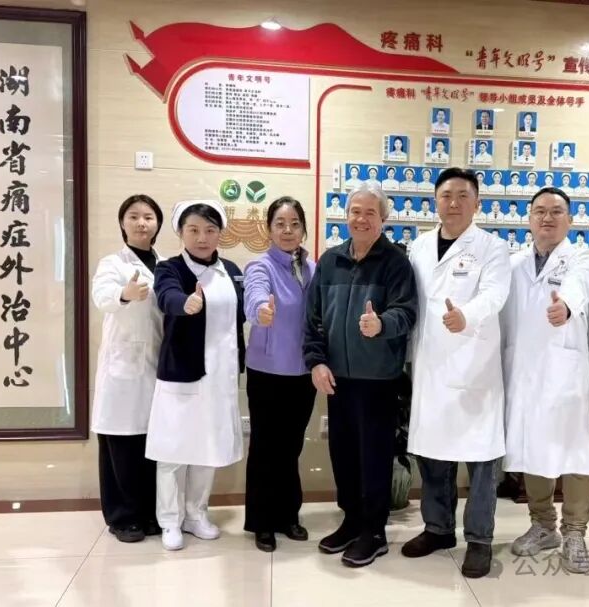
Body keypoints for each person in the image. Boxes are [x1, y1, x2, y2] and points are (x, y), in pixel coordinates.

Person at [403, 168, 510, 579]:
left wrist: (467, 315)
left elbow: (495, 294)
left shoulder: (493, 247)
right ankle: (438, 528)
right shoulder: (419, 246)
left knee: (481, 459)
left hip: (473, 365)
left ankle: (479, 539)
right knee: (432, 452)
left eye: (463, 195)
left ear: (477, 203)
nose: (454, 202)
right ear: (435, 201)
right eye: (446, 195)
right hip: (431, 364)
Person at [304, 184, 418, 568]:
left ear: (383, 219)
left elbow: (407, 312)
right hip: (337, 378)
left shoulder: (395, 262)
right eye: (355, 211)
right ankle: (351, 520)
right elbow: (313, 319)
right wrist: (316, 362)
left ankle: (374, 531)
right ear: (346, 215)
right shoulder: (330, 261)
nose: (361, 219)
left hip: (379, 379)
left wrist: (381, 323)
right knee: (343, 453)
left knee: (374, 457)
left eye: (370, 212)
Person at [501, 187, 589, 573]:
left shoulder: (583, 259)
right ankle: (543, 525)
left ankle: (575, 532)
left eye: (556, 211)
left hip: (565, 373)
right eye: (540, 211)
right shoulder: (514, 264)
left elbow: (580, 286)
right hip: (525, 373)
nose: (547, 217)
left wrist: (567, 306)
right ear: (529, 219)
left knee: (575, 453)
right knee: (533, 448)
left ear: (570, 220)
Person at [148, 199, 246, 552]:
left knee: (207, 447)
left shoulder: (231, 269)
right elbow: (167, 296)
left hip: (220, 376)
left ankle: (196, 514)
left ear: (220, 233)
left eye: (209, 230)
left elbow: (241, 311)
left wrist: (261, 313)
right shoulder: (169, 268)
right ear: (180, 233)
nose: (202, 238)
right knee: (172, 450)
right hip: (182, 373)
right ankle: (170, 521)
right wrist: (184, 304)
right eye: (193, 230)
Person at [243, 197, 317, 552]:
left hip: (303, 372)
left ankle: (288, 515)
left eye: (295, 224)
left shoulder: (312, 267)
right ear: (268, 229)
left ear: (303, 229)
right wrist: (260, 310)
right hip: (268, 371)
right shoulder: (261, 266)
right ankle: (262, 522)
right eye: (280, 224)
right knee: (265, 447)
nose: (288, 231)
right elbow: (254, 294)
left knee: (291, 446)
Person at [91, 194, 165, 543]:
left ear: (157, 224)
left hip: (155, 366)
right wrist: (125, 293)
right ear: (122, 223)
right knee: (121, 445)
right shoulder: (112, 263)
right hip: (123, 366)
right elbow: (102, 297)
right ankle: (123, 518)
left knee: (151, 444)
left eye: (148, 216)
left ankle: (149, 514)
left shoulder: (165, 264)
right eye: (133, 216)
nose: (141, 223)